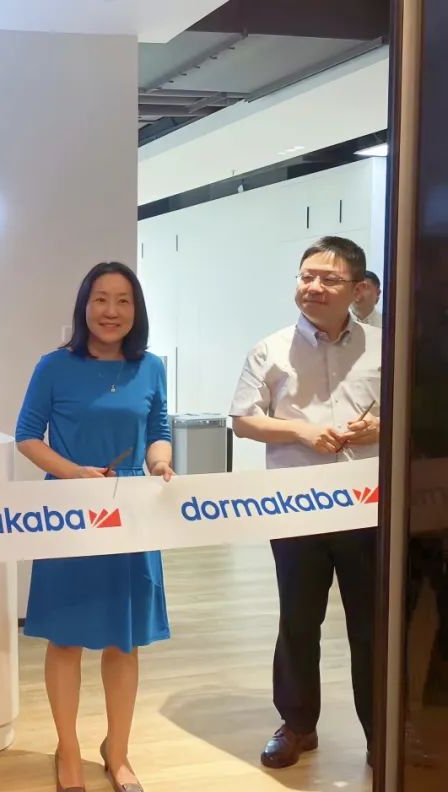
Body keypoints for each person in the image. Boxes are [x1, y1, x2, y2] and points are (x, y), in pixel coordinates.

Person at [16, 261, 174, 792]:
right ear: (85, 306)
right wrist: (74, 473)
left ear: (136, 310)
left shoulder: (150, 366)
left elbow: (158, 428)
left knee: (123, 641)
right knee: (65, 639)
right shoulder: (54, 366)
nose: (111, 311)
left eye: (123, 300)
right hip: (70, 509)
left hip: (131, 511)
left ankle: (118, 752)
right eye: (101, 299)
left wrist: (160, 462)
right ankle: (68, 750)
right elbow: (27, 436)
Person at [229, 235, 380, 769]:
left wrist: (381, 425)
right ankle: (297, 725)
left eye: (328, 279)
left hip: (368, 507)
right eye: (306, 276)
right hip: (297, 507)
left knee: (373, 623)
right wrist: (301, 431)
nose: (313, 286)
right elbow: (243, 420)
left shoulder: (386, 346)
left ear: (358, 290)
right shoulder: (269, 350)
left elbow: (415, 409)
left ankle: (381, 731)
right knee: (298, 618)